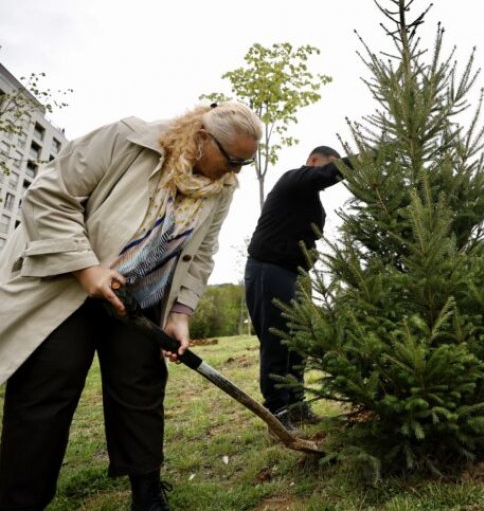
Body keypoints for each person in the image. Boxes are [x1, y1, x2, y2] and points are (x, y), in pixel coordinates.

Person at [0, 102, 262, 510]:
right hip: (67, 280)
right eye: (233, 160)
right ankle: (21, 499)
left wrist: (180, 314)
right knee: (47, 385)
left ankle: (147, 492)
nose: (236, 172)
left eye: (245, 163)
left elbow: (203, 252)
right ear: (203, 138)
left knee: (140, 385)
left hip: (140, 295)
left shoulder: (221, 187)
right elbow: (49, 195)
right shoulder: (128, 140)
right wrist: (87, 269)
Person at [245, 146, 350, 431]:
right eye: (329, 168)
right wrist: (366, 158)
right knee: (276, 341)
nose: (330, 179)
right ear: (313, 162)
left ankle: (296, 403)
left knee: (298, 341)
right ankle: (277, 412)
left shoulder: (308, 198)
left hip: (291, 273)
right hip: (268, 268)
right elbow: (326, 175)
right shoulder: (293, 180)